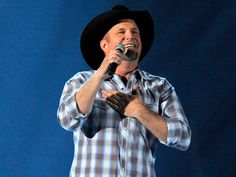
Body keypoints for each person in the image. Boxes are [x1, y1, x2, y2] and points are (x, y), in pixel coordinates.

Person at [57, 5, 191, 177]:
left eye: (135, 32)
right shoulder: (81, 81)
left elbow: (183, 137)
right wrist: (99, 75)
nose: (131, 36)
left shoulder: (159, 87)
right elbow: (66, 119)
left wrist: (139, 111)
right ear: (105, 45)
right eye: (121, 32)